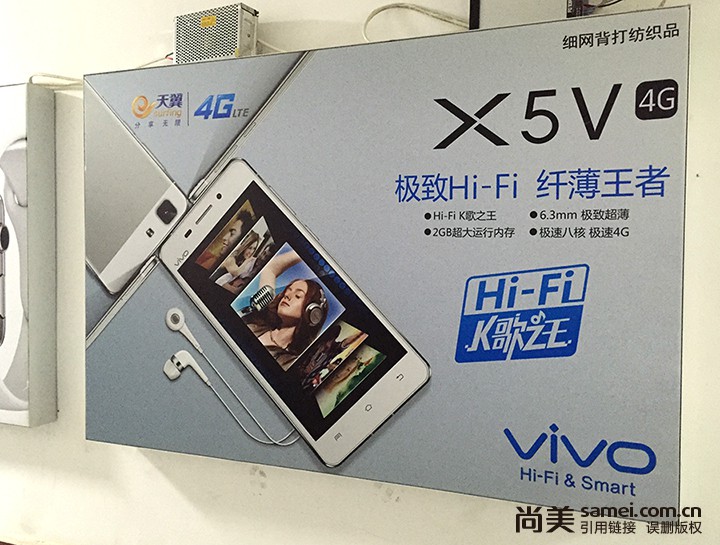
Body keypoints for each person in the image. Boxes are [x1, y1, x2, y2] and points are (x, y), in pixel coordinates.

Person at [244, 249, 328, 371]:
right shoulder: (259, 317)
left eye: (298, 296)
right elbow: (271, 268)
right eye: (288, 290)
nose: (287, 296)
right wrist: (309, 250)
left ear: (312, 313)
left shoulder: (290, 362)